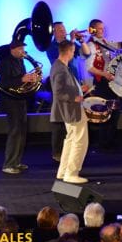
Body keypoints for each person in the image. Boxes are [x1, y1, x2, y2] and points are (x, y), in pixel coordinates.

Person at [45, 22, 90, 162]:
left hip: (74, 83)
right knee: (60, 121)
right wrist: (72, 40)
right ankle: (57, 152)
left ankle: (69, 150)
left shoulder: (70, 44)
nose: (63, 31)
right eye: (60, 30)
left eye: (64, 29)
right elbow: (64, 59)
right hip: (63, 86)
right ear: (53, 32)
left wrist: (81, 41)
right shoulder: (51, 46)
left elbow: (87, 53)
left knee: (72, 120)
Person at [0, 40, 39, 175]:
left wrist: (30, 79)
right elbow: (4, 83)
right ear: (13, 49)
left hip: (20, 99)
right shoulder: (3, 62)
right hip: (10, 100)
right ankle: (8, 164)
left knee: (22, 131)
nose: (23, 51)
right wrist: (22, 79)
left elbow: (22, 78)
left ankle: (16, 161)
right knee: (15, 131)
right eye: (20, 49)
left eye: (23, 48)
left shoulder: (20, 60)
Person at [51, 39, 89, 184]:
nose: (74, 54)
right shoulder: (60, 68)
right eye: (73, 51)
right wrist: (74, 98)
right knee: (79, 142)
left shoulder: (59, 66)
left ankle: (63, 172)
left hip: (71, 110)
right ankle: (71, 173)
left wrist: (79, 90)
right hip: (72, 110)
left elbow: (64, 88)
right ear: (68, 51)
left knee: (71, 140)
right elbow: (58, 92)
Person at [84, 19, 122, 151]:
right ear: (93, 30)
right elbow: (89, 67)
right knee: (104, 112)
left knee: (115, 111)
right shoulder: (91, 45)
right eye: (100, 28)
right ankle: (103, 143)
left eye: (103, 28)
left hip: (112, 81)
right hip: (102, 82)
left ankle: (111, 140)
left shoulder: (105, 43)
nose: (102, 30)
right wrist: (104, 74)